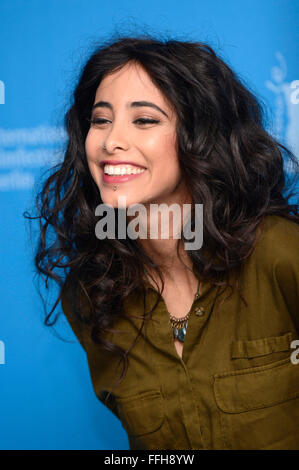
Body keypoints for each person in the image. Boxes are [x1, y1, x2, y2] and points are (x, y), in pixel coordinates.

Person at [25, 34, 299, 450]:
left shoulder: (279, 252)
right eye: (100, 120)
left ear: (199, 137)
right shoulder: (90, 296)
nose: (110, 141)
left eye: (144, 120)